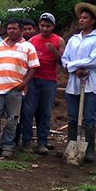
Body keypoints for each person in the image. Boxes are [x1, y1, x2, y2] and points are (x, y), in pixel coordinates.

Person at [0, 18, 39, 158]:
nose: (11, 31)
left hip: (15, 88)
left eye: (14, 28)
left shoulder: (28, 47)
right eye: (9, 28)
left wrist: (24, 83)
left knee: (12, 119)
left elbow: (33, 68)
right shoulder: (0, 45)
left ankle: (8, 146)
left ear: (20, 30)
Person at [61, 3, 96, 163]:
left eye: (85, 18)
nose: (81, 20)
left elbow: (93, 61)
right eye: (80, 17)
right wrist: (75, 69)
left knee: (89, 119)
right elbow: (64, 59)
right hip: (73, 84)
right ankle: (71, 148)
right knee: (72, 118)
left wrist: (74, 67)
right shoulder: (73, 40)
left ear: (93, 21)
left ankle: (90, 151)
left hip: (90, 84)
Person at [20, 13, 65, 154]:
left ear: (53, 26)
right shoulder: (33, 41)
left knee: (45, 112)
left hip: (49, 81)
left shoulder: (59, 41)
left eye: (48, 26)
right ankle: (26, 142)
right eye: (42, 25)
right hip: (33, 79)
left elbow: (63, 62)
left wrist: (54, 52)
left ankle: (42, 143)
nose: (45, 29)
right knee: (28, 111)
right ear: (39, 25)